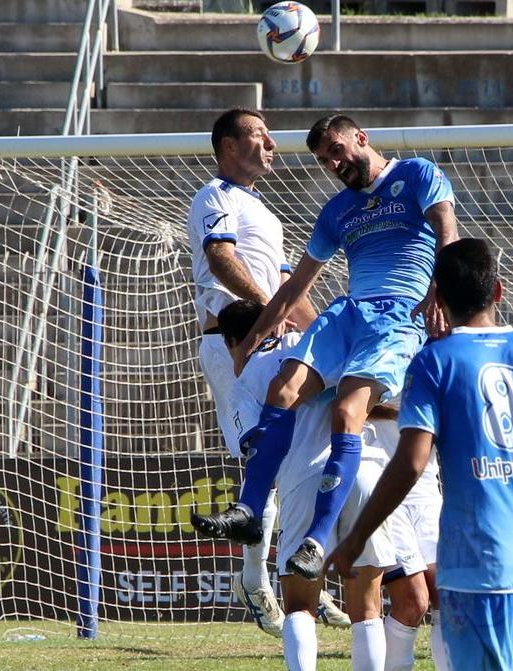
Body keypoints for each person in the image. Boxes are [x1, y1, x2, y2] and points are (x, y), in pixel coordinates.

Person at [325, 238, 513, 671]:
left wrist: (355, 539)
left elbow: (411, 462)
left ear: (438, 299)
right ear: (499, 291)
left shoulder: (434, 363)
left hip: (473, 566)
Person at [193, 113, 460, 581]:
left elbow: (448, 231)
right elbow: (296, 284)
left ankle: (317, 540)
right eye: (323, 160)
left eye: (337, 151)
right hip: (348, 311)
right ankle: (249, 510)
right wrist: (253, 338)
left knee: (346, 412)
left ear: (362, 137)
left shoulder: (416, 173)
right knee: (284, 387)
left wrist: (442, 286)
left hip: (399, 315)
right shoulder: (337, 210)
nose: (333, 164)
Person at [186, 107, 327, 635]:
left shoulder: (264, 212)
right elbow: (221, 258)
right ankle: (254, 582)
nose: (270, 141)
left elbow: (295, 293)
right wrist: (269, 311)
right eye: (257, 133)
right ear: (227, 145)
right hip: (233, 346)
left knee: (298, 463)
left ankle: (305, 579)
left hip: (276, 343)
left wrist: (328, 334)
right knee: (261, 461)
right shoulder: (213, 197)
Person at [216, 301, 392, 671]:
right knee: (368, 607)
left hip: (305, 479)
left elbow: (259, 450)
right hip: (363, 471)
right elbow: (364, 401)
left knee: (299, 606)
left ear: (235, 340)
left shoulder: (246, 380)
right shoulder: (318, 343)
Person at [363, 406, 448, 671]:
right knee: (413, 601)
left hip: (427, 492)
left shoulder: (434, 366)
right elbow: (348, 402)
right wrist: (410, 412)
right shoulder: (369, 363)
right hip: (383, 488)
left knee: (449, 599)